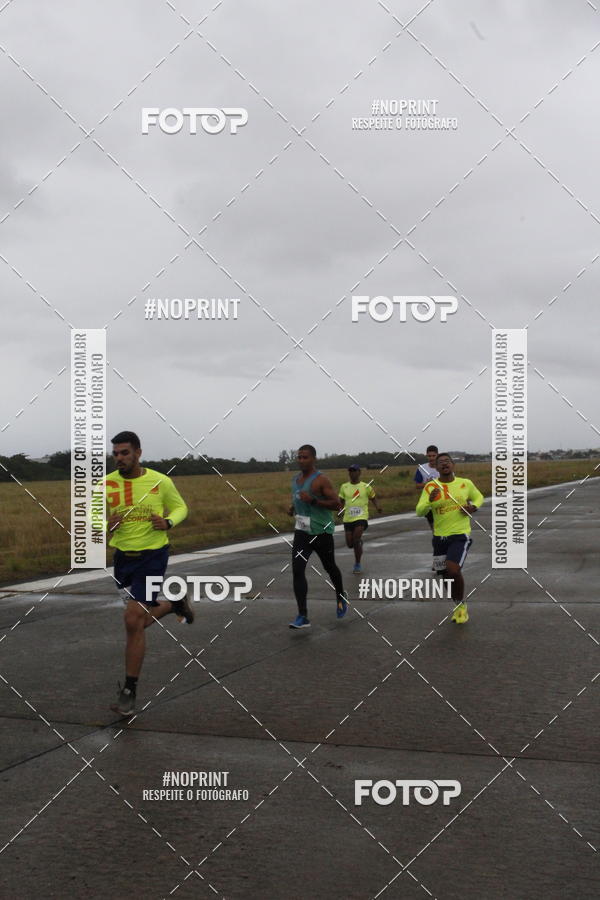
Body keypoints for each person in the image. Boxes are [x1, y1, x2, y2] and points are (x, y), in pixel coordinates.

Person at [106, 431, 192, 715]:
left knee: (132, 619)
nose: (119, 458)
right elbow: (93, 523)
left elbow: (181, 508)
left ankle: (129, 691)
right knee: (137, 623)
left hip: (153, 556)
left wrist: (167, 522)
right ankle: (171, 605)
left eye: (124, 453)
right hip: (122, 560)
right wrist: (108, 524)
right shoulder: (106, 484)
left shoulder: (159, 481)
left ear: (138, 453)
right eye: (116, 453)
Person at [415, 452, 484, 624]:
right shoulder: (430, 487)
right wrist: (430, 501)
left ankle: (461, 606)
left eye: (447, 461)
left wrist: (473, 506)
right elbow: (419, 511)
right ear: (436, 468)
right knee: (445, 575)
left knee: (453, 570)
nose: (445, 464)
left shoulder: (465, 483)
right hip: (439, 538)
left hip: (460, 535)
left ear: (453, 465)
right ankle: (457, 605)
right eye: (441, 462)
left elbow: (479, 497)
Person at [288, 444, 348, 628]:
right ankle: (302, 615)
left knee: (329, 567)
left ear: (314, 459)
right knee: (297, 570)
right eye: (299, 457)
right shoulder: (295, 480)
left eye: (305, 457)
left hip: (322, 531)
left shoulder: (321, 480)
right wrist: (293, 508)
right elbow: (299, 500)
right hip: (302, 531)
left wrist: (314, 500)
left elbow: (337, 505)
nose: (301, 460)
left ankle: (340, 595)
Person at [338, 464, 382, 574]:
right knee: (350, 544)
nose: (352, 473)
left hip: (361, 517)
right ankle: (359, 544)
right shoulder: (344, 487)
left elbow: (373, 498)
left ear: (359, 472)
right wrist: (339, 510)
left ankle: (357, 564)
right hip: (348, 518)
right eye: (350, 471)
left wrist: (378, 507)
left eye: (354, 471)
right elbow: (341, 502)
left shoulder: (366, 487)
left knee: (356, 538)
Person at [414, 445, 439, 570]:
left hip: (443, 505)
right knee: (436, 534)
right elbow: (417, 485)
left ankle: (444, 557)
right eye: (429, 456)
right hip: (429, 505)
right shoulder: (422, 468)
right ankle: (437, 560)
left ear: (437, 455)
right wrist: (428, 484)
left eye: (433, 456)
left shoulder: (443, 467)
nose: (431, 458)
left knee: (444, 534)